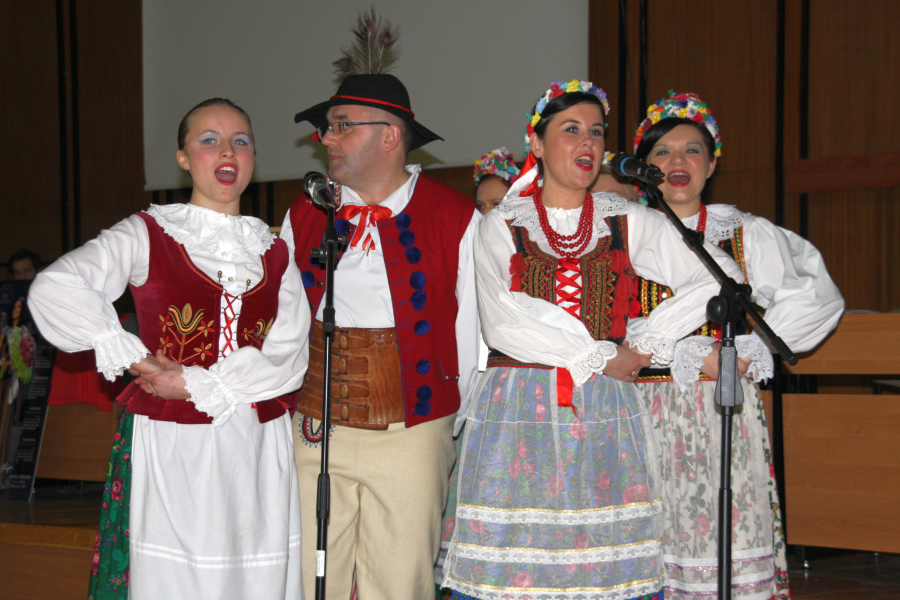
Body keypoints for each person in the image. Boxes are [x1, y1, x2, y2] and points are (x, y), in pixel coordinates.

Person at [441, 80, 744, 600]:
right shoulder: (502, 224)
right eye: (571, 130)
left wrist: (646, 344)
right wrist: (599, 355)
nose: (587, 143)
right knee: (519, 562)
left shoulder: (625, 219)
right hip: (521, 405)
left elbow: (719, 276)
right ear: (536, 143)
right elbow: (504, 321)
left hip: (603, 408)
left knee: (599, 562)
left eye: (597, 132)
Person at [28, 98, 310, 600]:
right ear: (183, 158)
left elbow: (290, 354)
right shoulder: (148, 232)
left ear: (253, 157)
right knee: (179, 578)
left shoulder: (274, 249)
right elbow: (56, 287)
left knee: (255, 574)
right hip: (174, 440)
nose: (227, 151)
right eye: (209, 140)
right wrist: (136, 359)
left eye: (240, 141)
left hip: (255, 442)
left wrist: (204, 383)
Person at [627, 90, 844, 599]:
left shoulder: (743, 233)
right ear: (644, 168)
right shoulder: (624, 231)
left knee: (721, 536)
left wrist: (746, 353)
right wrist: (674, 350)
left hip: (719, 410)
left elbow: (816, 294)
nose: (677, 162)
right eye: (662, 151)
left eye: (692, 150)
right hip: (638, 410)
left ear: (711, 164)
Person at [284, 73, 480, 600]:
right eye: (327, 128)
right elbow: (285, 325)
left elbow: (472, 338)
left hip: (412, 431)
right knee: (305, 581)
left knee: (400, 584)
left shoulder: (456, 215)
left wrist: (440, 426)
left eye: (341, 126)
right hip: (315, 426)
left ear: (390, 135)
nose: (327, 138)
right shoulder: (304, 212)